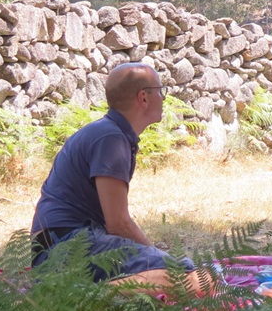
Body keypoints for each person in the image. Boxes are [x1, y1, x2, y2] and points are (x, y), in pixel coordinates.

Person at [30, 62, 212, 294]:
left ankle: (80, 292)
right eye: (161, 91)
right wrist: (157, 256)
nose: (163, 99)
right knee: (188, 277)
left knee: (179, 274)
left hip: (61, 246)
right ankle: (86, 296)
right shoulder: (110, 138)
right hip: (66, 247)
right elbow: (118, 224)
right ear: (144, 98)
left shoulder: (108, 132)